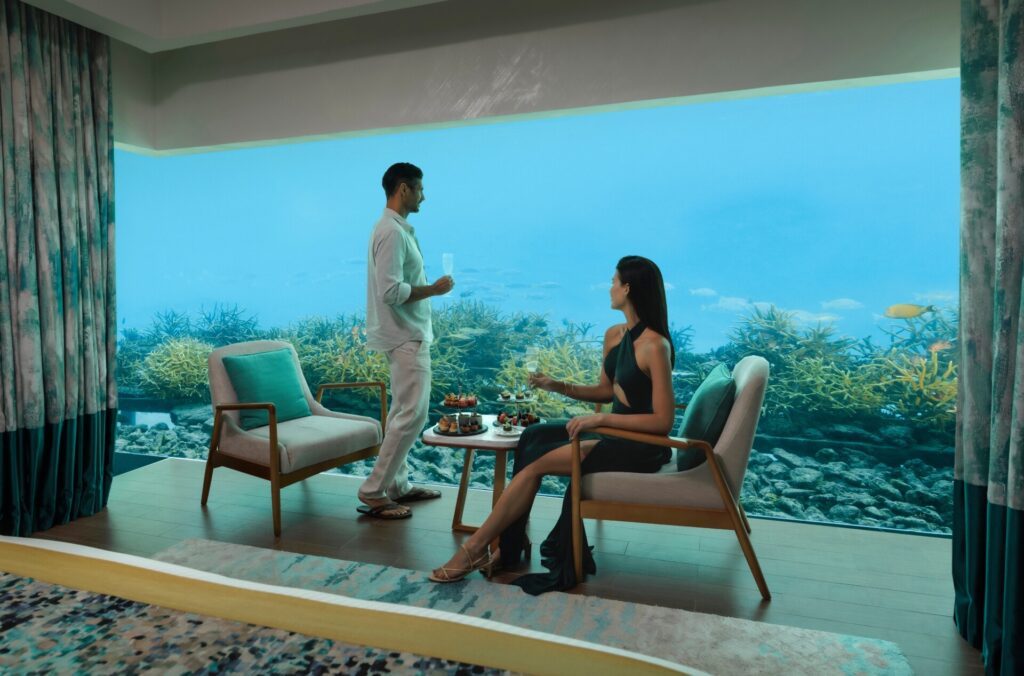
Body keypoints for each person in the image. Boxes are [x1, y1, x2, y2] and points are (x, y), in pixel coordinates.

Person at [429, 255, 675, 593]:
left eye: (614, 281)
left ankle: (473, 550)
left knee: (535, 467)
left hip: (637, 446)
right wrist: (558, 385)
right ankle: (508, 549)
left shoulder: (655, 346)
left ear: (629, 288)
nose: (610, 287)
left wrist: (601, 417)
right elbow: (607, 389)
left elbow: (663, 421)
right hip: (610, 430)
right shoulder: (615, 335)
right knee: (531, 437)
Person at [360, 162, 454, 520]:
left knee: (403, 412)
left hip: (402, 333)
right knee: (412, 415)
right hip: (405, 335)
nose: (423, 196)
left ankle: (396, 485)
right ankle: (373, 491)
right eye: (419, 189)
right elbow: (390, 291)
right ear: (403, 189)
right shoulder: (392, 232)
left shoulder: (390, 229)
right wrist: (434, 289)